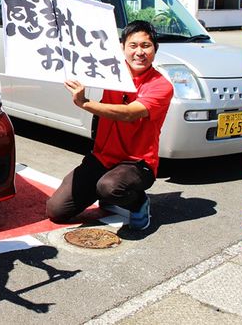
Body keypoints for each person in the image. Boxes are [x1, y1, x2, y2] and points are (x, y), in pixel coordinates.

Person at [45, 20, 174, 230]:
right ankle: (105, 192)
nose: (139, 52)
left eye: (146, 46)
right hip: (102, 157)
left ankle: (138, 202)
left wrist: (85, 103)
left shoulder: (161, 86)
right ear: (122, 48)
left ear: (155, 49)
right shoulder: (112, 71)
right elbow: (77, 51)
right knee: (56, 210)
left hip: (136, 163)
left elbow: (129, 113)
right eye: (133, 45)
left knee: (109, 187)